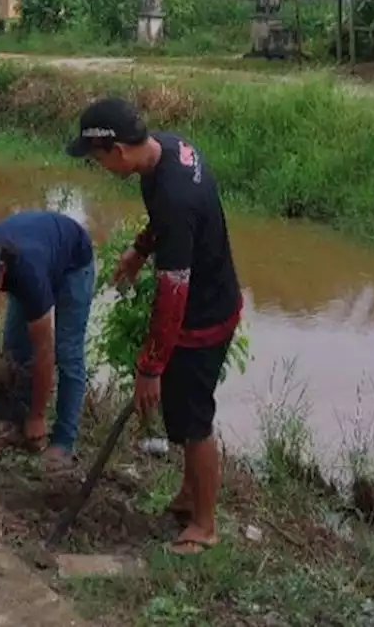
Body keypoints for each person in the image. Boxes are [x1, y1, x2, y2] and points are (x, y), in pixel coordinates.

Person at [66, 97, 243, 556]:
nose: (99, 167)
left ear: (118, 152)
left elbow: (173, 293)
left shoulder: (174, 195)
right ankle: (189, 496)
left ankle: (205, 526)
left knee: (195, 419)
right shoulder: (168, 150)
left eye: (96, 159)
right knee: (185, 413)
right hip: (216, 296)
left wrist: (150, 366)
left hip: (201, 316)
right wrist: (141, 248)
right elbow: (166, 225)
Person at [0, 210, 95, 467]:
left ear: (1, 272)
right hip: (37, 248)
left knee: (67, 353)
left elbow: (44, 353)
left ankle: (62, 442)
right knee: (15, 348)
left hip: (73, 262)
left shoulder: (29, 276)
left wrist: (38, 415)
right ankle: (21, 427)